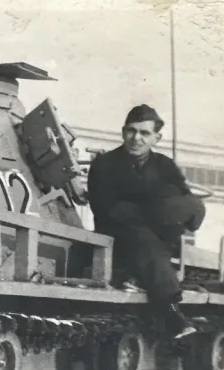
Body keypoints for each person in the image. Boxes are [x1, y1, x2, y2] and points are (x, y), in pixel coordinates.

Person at [86, 104, 206, 338]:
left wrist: (175, 210)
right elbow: (106, 209)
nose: (136, 138)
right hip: (117, 237)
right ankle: (171, 312)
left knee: (188, 205)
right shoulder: (104, 165)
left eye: (144, 133)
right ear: (123, 132)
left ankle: (139, 279)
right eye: (131, 131)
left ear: (156, 138)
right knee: (140, 232)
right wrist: (160, 209)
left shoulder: (165, 165)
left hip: (157, 237)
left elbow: (185, 199)